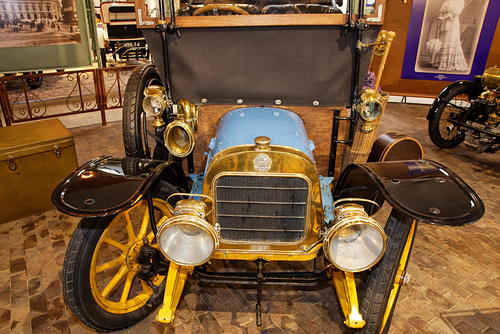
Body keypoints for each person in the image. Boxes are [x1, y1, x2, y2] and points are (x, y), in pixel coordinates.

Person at [433, 0, 468, 71]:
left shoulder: (459, 1)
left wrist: (443, 17)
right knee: (442, 42)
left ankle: (449, 63)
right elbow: (442, 11)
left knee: (450, 41)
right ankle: (439, 62)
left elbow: (454, 13)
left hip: (452, 24)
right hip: (444, 23)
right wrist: (440, 18)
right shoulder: (447, 1)